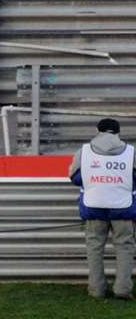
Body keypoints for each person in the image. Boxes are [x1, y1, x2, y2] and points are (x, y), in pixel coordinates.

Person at [72, 117, 136, 300]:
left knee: (94, 249)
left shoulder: (83, 152)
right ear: (118, 132)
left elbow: (75, 178)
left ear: (97, 131)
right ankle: (123, 290)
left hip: (93, 207)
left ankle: (97, 290)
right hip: (123, 208)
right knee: (125, 248)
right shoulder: (132, 152)